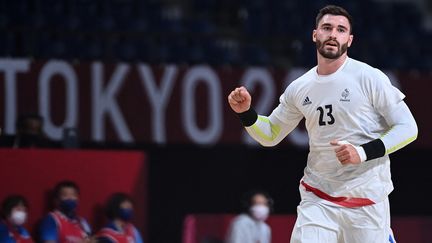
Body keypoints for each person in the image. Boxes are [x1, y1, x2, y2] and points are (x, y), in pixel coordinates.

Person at [227, 5, 417, 243]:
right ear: (315, 34)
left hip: (367, 203)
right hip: (318, 199)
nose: (333, 34)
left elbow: (408, 128)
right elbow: (270, 134)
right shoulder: (300, 87)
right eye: (327, 28)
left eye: (340, 30)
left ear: (349, 39)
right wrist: (246, 114)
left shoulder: (370, 78)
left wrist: (362, 152)